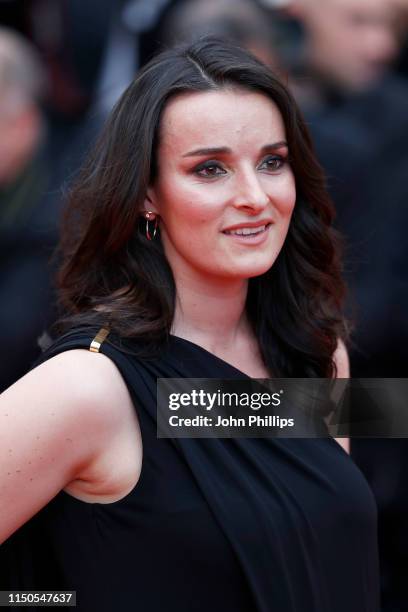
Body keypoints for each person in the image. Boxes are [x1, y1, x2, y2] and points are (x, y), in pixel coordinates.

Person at [0, 37, 380, 611]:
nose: (254, 196)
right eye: (210, 169)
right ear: (148, 194)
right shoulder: (88, 390)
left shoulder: (317, 352)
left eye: (272, 162)